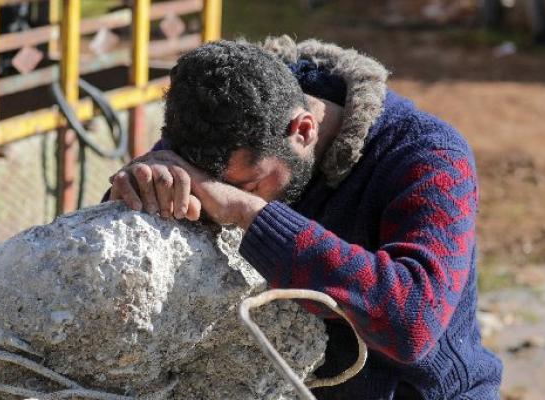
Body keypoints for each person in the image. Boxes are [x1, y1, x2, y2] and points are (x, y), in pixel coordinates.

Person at [105, 36, 502, 399]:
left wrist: (251, 213)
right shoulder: (216, 119)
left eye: (250, 184)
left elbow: (412, 322)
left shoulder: (430, 155)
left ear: (304, 128)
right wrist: (140, 186)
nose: (226, 194)